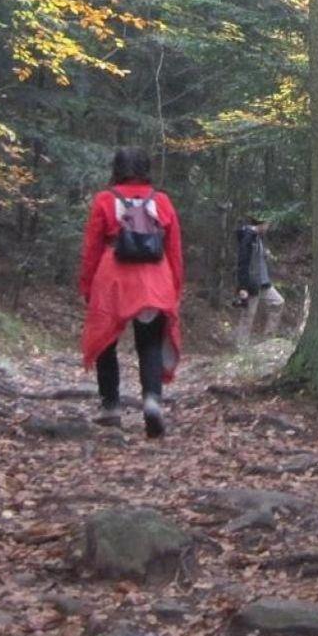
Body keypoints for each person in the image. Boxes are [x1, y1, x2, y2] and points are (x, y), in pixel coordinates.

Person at [78, 146, 184, 437]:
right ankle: (152, 401)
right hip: (154, 278)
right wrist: (175, 286)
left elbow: (91, 248)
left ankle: (111, 407)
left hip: (113, 277)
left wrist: (87, 285)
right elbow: (174, 249)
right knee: (149, 342)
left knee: (105, 342)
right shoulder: (161, 201)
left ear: (117, 168)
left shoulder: (104, 199)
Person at [233, 215, 284, 349]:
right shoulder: (248, 237)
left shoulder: (257, 237)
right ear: (262, 224)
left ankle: (268, 339)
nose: (268, 227)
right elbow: (243, 264)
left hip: (263, 282)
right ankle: (241, 347)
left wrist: (265, 253)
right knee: (248, 316)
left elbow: (256, 257)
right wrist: (243, 287)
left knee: (278, 302)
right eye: (267, 224)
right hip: (251, 284)